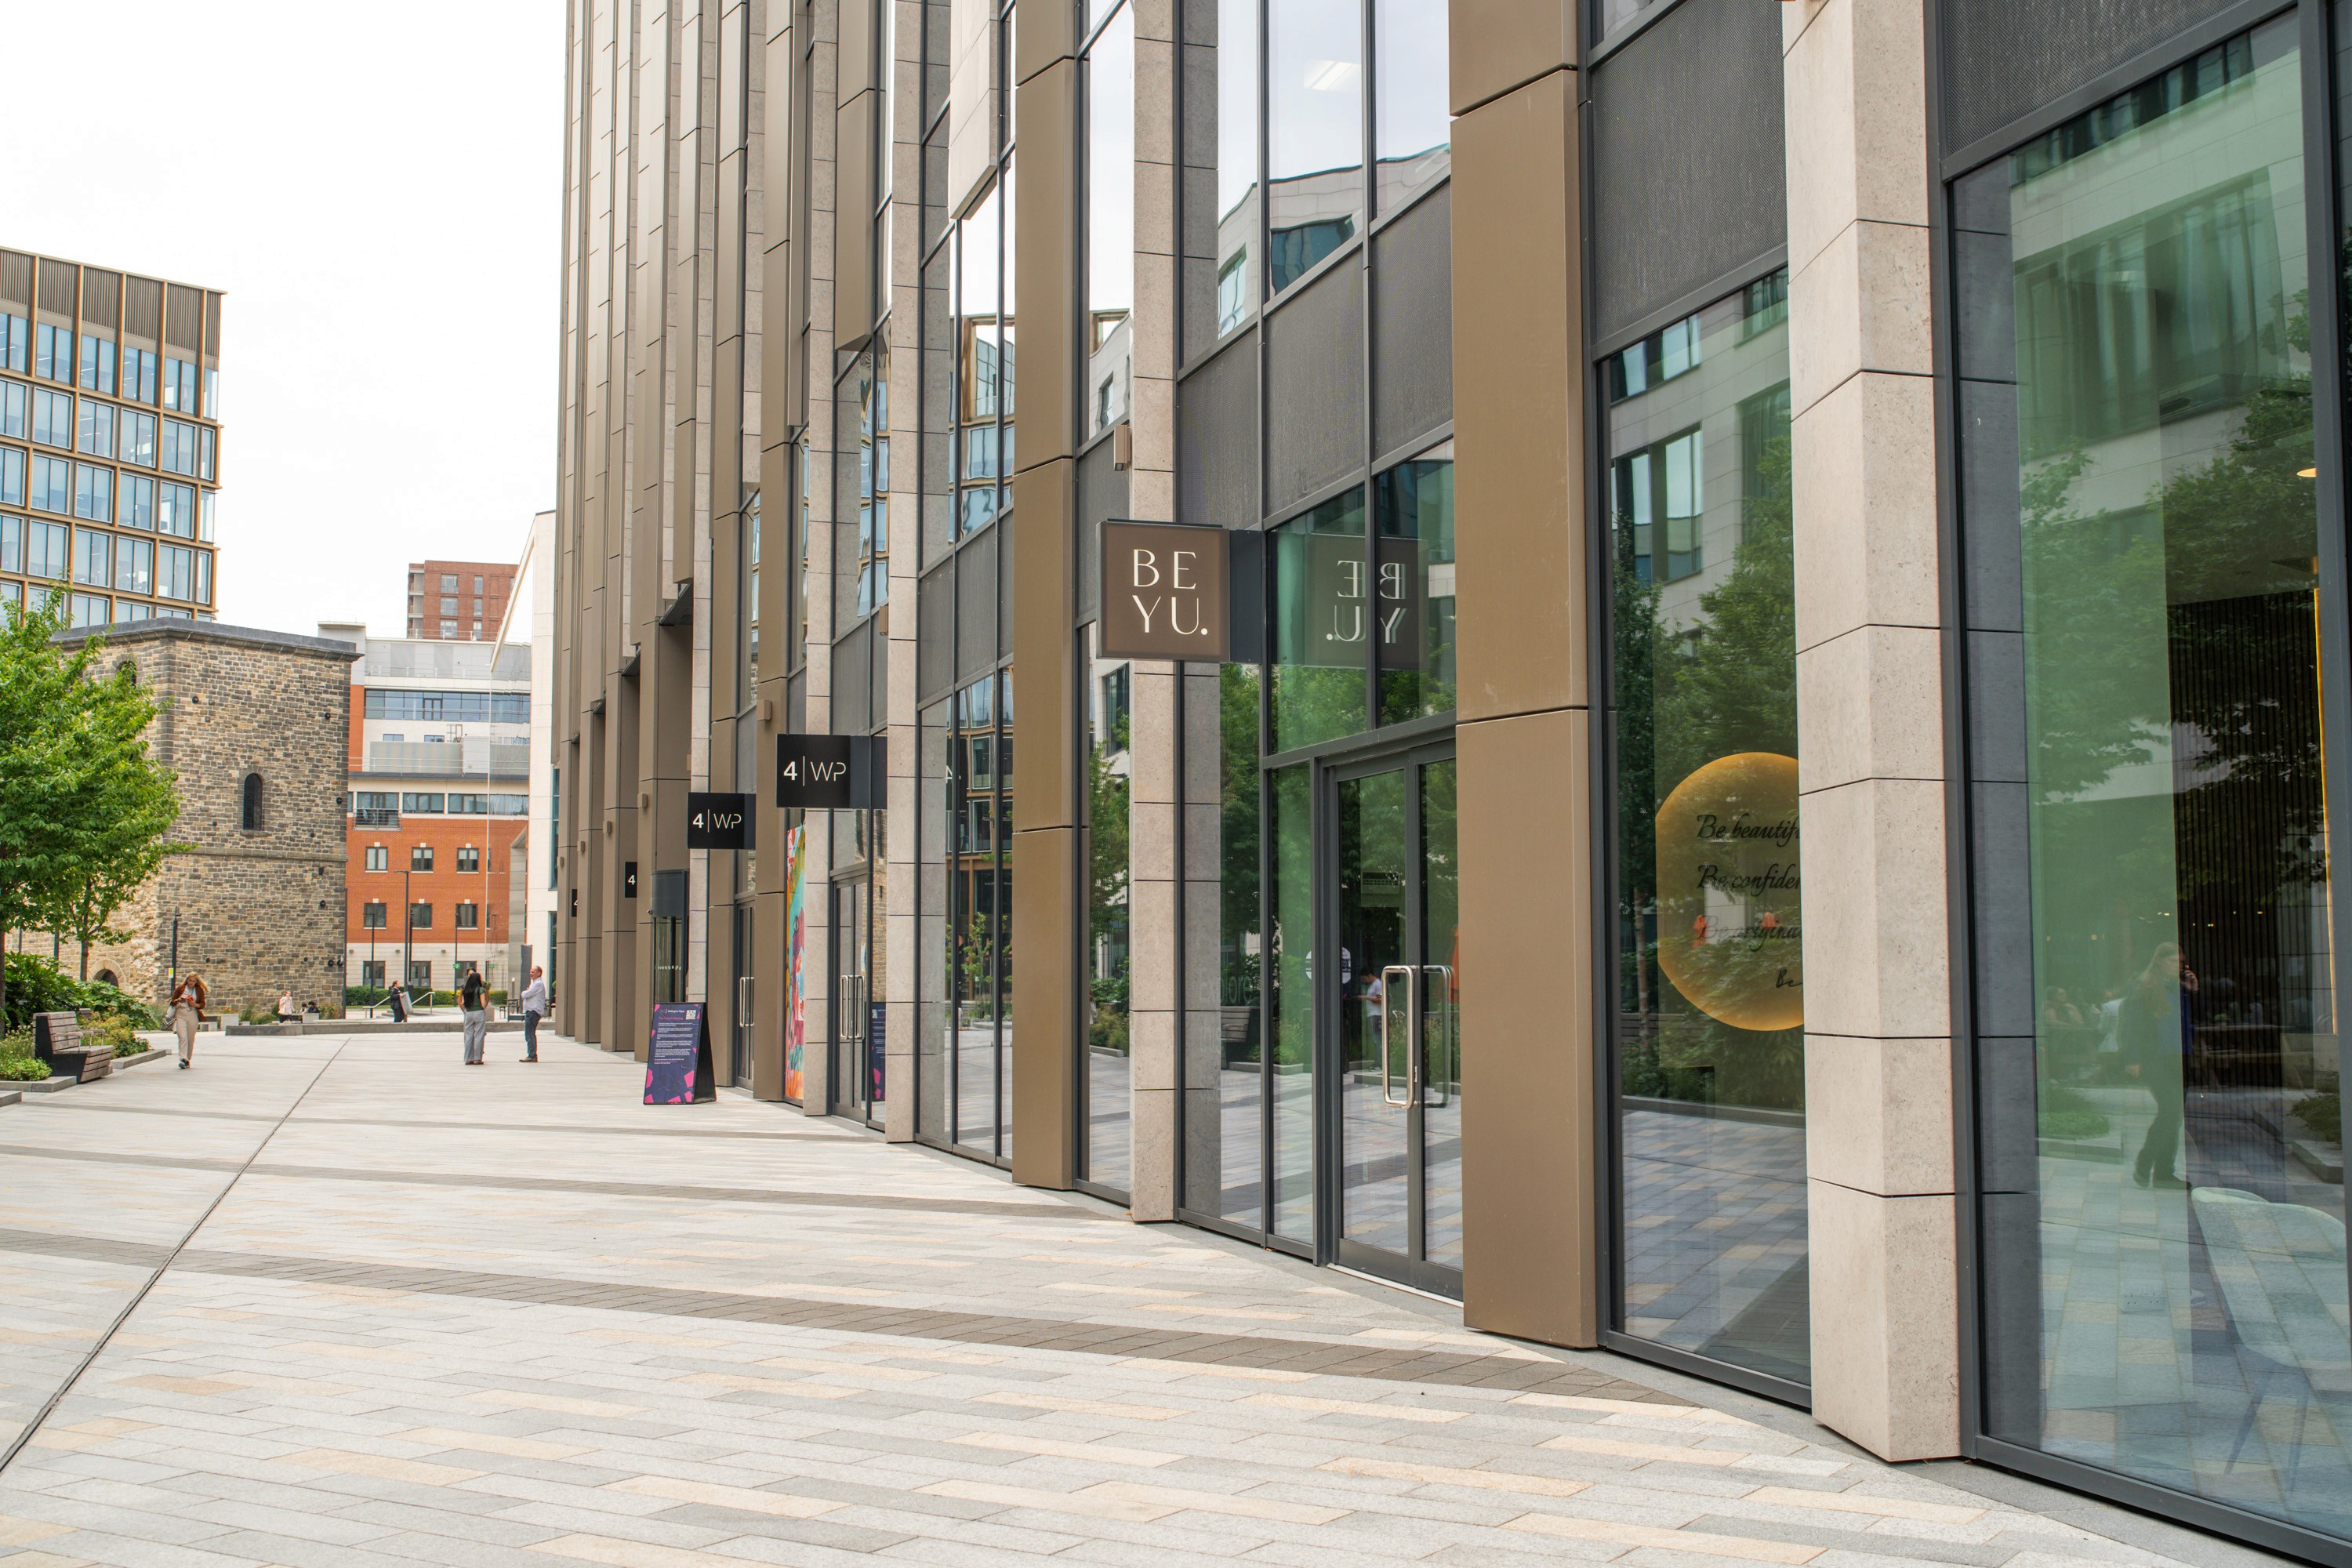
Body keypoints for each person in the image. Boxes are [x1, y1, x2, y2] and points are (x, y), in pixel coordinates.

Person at [2122, 943, 2197, 1190]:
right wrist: (2132, 1059)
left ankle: (2164, 1173)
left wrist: (2192, 992)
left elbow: (2186, 1022)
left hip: (2178, 1056)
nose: (2178, 966)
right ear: (2159, 961)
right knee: (2170, 1110)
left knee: (2173, 1115)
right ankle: (2145, 1163)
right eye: (2173, 961)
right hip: (2154, 1058)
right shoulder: (2145, 986)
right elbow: (2132, 1024)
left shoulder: (2178, 987)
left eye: (2180, 962)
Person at [169, 972, 207, 1069]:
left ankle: (187, 1059)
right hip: (181, 1013)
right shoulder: (181, 988)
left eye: (193, 981)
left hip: (192, 1014)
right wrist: (179, 1000)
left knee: (190, 1038)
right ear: (187, 980)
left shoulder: (199, 990)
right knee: (182, 1036)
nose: (191, 983)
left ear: (196, 982)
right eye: (190, 980)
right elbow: (172, 1001)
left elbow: (202, 1004)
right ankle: (182, 1058)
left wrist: (195, 1005)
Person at [517, 965, 549, 1062]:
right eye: (530, 972)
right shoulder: (535, 984)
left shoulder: (537, 984)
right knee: (531, 1033)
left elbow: (526, 995)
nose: (531, 974)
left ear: (539, 973)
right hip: (532, 1012)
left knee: (529, 1034)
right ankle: (532, 1055)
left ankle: (532, 1055)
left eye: (533, 972)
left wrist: (525, 992)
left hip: (533, 1012)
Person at [459, 967, 489, 1065]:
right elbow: (483, 1004)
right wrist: (486, 1001)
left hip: (468, 1013)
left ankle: (468, 1059)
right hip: (479, 1013)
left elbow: (461, 1002)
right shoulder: (480, 990)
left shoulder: (465, 990)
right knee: (479, 1035)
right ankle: (477, 1059)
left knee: (468, 1036)